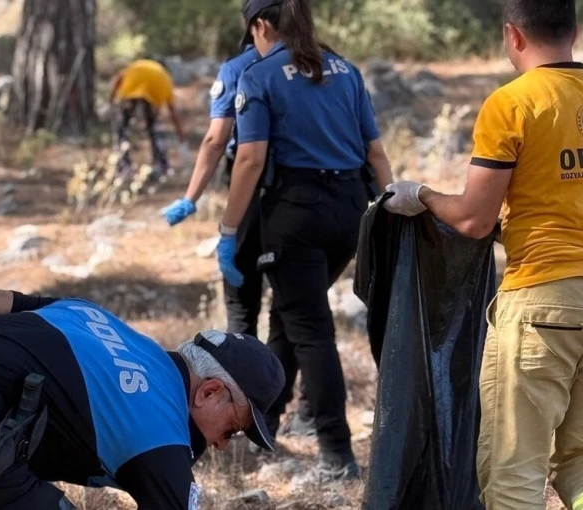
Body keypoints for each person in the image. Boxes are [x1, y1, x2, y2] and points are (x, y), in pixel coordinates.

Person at [384, 0, 583, 508]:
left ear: (513, 36)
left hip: (545, 304)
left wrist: (421, 196)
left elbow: (473, 220)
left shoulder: (512, 104)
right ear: (576, 30)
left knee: (513, 470)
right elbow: (581, 206)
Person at [217, 0, 393, 484]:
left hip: (296, 212)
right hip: (349, 211)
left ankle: (336, 453)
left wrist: (229, 231)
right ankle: (266, 422)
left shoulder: (258, 75)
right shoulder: (345, 69)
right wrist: (389, 211)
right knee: (291, 315)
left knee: (311, 331)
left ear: (261, 25)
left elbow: (249, 159)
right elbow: (376, 153)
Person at [0, 281, 284, 509]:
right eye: (230, 429)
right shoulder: (161, 433)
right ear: (210, 392)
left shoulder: (90, 314)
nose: (222, 445)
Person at [162, 43, 317, 440]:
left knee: (241, 302)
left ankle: (240, 406)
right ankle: (270, 413)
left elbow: (218, 140)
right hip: (304, 197)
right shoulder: (316, 62)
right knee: (288, 311)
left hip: (252, 194)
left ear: (258, 26)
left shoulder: (242, 68)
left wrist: (192, 199)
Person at [110, 58, 188, 179]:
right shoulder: (165, 77)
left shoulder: (136, 65)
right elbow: (172, 111)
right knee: (154, 129)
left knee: (122, 129)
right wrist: (181, 135)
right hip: (152, 97)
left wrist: (111, 98)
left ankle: (124, 166)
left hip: (129, 93)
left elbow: (118, 79)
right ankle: (161, 165)